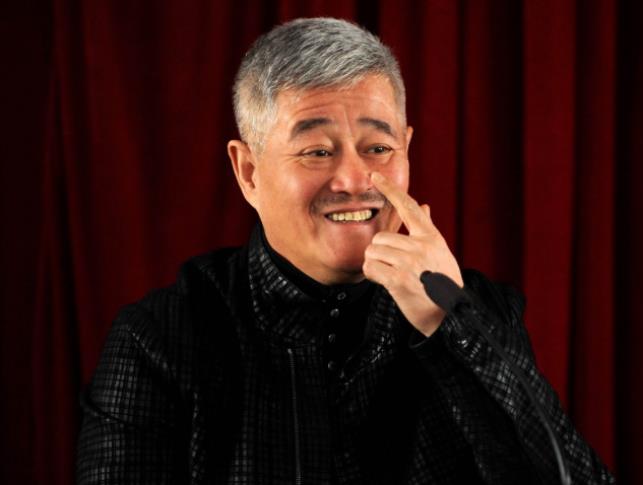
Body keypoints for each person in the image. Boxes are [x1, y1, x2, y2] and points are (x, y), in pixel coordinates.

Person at [77, 17, 615, 484]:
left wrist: (448, 323)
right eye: (317, 151)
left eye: (379, 148)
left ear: (407, 151)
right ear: (248, 172)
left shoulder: (477, 312)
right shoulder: (161, 340)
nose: (356, 180)